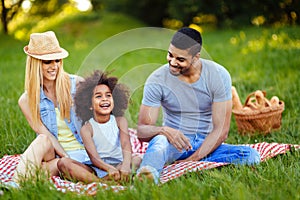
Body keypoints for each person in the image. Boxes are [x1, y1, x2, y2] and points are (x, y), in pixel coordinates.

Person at [136, 27, 261, 184]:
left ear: (196, 57)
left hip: (208, 145)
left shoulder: (218, 75)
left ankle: (184, 164)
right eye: (170, 55)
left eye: (180, 59)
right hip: (173, 145)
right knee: (159, 140)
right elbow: (141, 130)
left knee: (251, 156)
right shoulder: (157, 79)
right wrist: (164, 130)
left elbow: (221, 130)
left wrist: (193, 160)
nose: (172, 62)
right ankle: (147, 177)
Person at [17, 31, 94, 181]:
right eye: (48, 62)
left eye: (57, 60)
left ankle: (21, 180)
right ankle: (13, 185)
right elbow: (45, 134)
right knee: (42, 139)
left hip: (87, 154)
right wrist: (66, 158)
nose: (55, 66)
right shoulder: (26, 100)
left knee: (35, 173)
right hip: (59, 157)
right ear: (35, 64)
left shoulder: (77, 84)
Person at [58, 70, 141, 182]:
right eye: (98, 96)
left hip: (118, 164)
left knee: (137, 159)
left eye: (108, 95)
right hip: (96, 168)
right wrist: (109, 169)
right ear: (89, 105)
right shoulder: (87, 128)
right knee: (64, 163)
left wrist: (125, 165)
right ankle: (100, 183)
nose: (104, 99)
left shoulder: (120, 121)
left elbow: (126, 145)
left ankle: (113, 179)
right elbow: (94, 158)